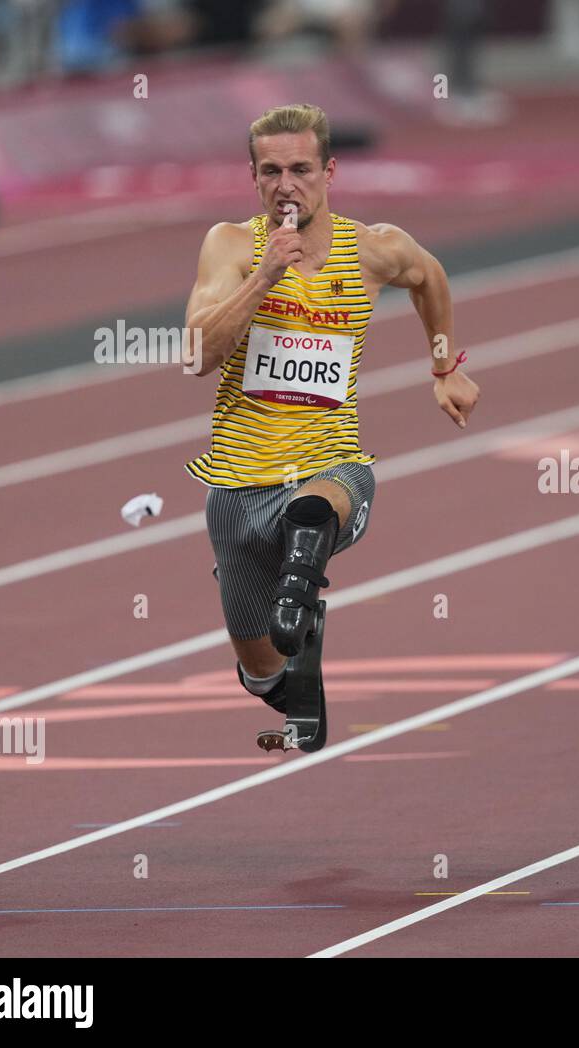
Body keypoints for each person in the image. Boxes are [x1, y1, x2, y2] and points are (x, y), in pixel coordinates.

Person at [184, 102, 478, 750]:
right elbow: (198, 355)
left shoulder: (375, 248)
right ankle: (293, 672)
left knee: (313, 514)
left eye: (300, 169)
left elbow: (428, 276)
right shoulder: (231, 246)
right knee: (262, 670)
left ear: (330, 170)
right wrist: (265, 277)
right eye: (270, 172)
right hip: (237, 484)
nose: (285, 185)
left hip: (328, 460)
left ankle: (300, 593)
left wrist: (443, 367)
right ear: (253, 177)